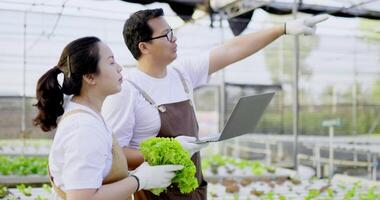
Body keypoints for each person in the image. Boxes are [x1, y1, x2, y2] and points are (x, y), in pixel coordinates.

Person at [102, 9, 328, 199]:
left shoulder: (182, 74)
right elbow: (115, 156)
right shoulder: (126, 91)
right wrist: (172, 151)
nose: (175, 39)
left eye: (173, 32)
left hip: (194, 189)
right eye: (167, 34)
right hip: (155, 194)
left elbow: (231, 50)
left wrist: (283, 28)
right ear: (144, 47)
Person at [33, 36, 183, 200]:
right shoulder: (84, 128)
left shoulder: (91, 116)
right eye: (111, 62)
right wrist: (140, 180)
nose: (119, 68)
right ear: (90, 77)